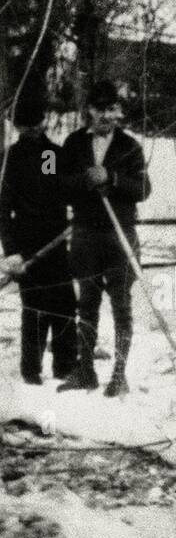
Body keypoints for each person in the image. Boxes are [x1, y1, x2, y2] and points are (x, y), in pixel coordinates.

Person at [57, 79, 151, 397]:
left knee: (121, 306)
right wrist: (85, 180)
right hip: (85, 235)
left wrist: (111, 178)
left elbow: (143, 189)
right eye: (101, 110)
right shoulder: (71, 145)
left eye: (113, 110)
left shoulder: (130, 146)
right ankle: (85, 373)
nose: (108, 117)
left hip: (119, 235)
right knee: (86, 305)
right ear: (89, 111)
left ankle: (119, 376)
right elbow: (57, 184)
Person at [0, 91, 76, 386]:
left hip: (55, 241)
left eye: (35, 124)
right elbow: (4, 209)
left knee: (63, 303)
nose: (31, 131)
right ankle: (31, 372)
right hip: (25, 245)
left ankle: (65, 367)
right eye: (24, 126)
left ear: (42, 122)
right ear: (16, 126)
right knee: (33, 308)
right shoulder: (10, 158)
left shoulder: (48, 155)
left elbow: (52, 190)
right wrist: (12, 251)